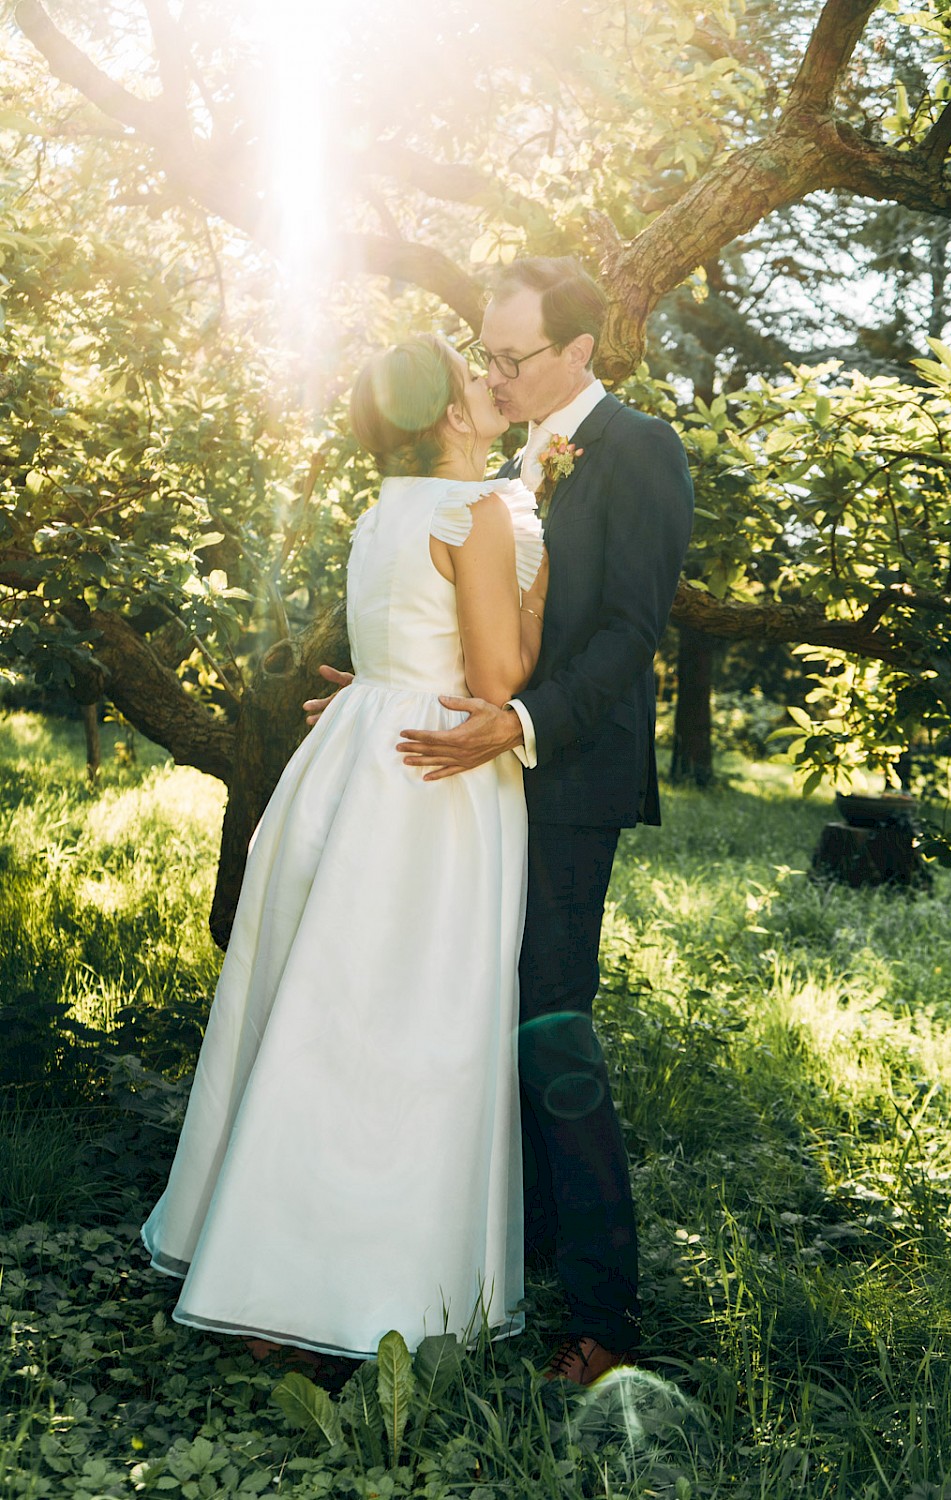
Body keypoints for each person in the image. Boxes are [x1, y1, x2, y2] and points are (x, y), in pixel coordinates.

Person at [307, 257, 694, 1385]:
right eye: (488, 352)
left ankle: (605, 1320)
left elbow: (628, 634)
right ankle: (486, 1269)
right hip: (461, 785)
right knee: (460, 1019)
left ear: (580, 352)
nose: (496, 371)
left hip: (560, 781)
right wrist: (395, 686)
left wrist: (517, 724)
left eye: (516, 355)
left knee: (548, 1028)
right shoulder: (483, 464)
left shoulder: (643, 450)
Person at [141, 335, 548, 1362]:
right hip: (436, 777)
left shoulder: (382, 510)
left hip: (356, 754)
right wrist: (537, 583)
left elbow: (388, 652)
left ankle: (272, 1274)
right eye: (471, 375)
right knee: (420, 1017)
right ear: (452, 415)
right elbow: (496, 677)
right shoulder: (480, 511)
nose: (488, 382)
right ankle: (370, 1285)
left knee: (326, 1007)